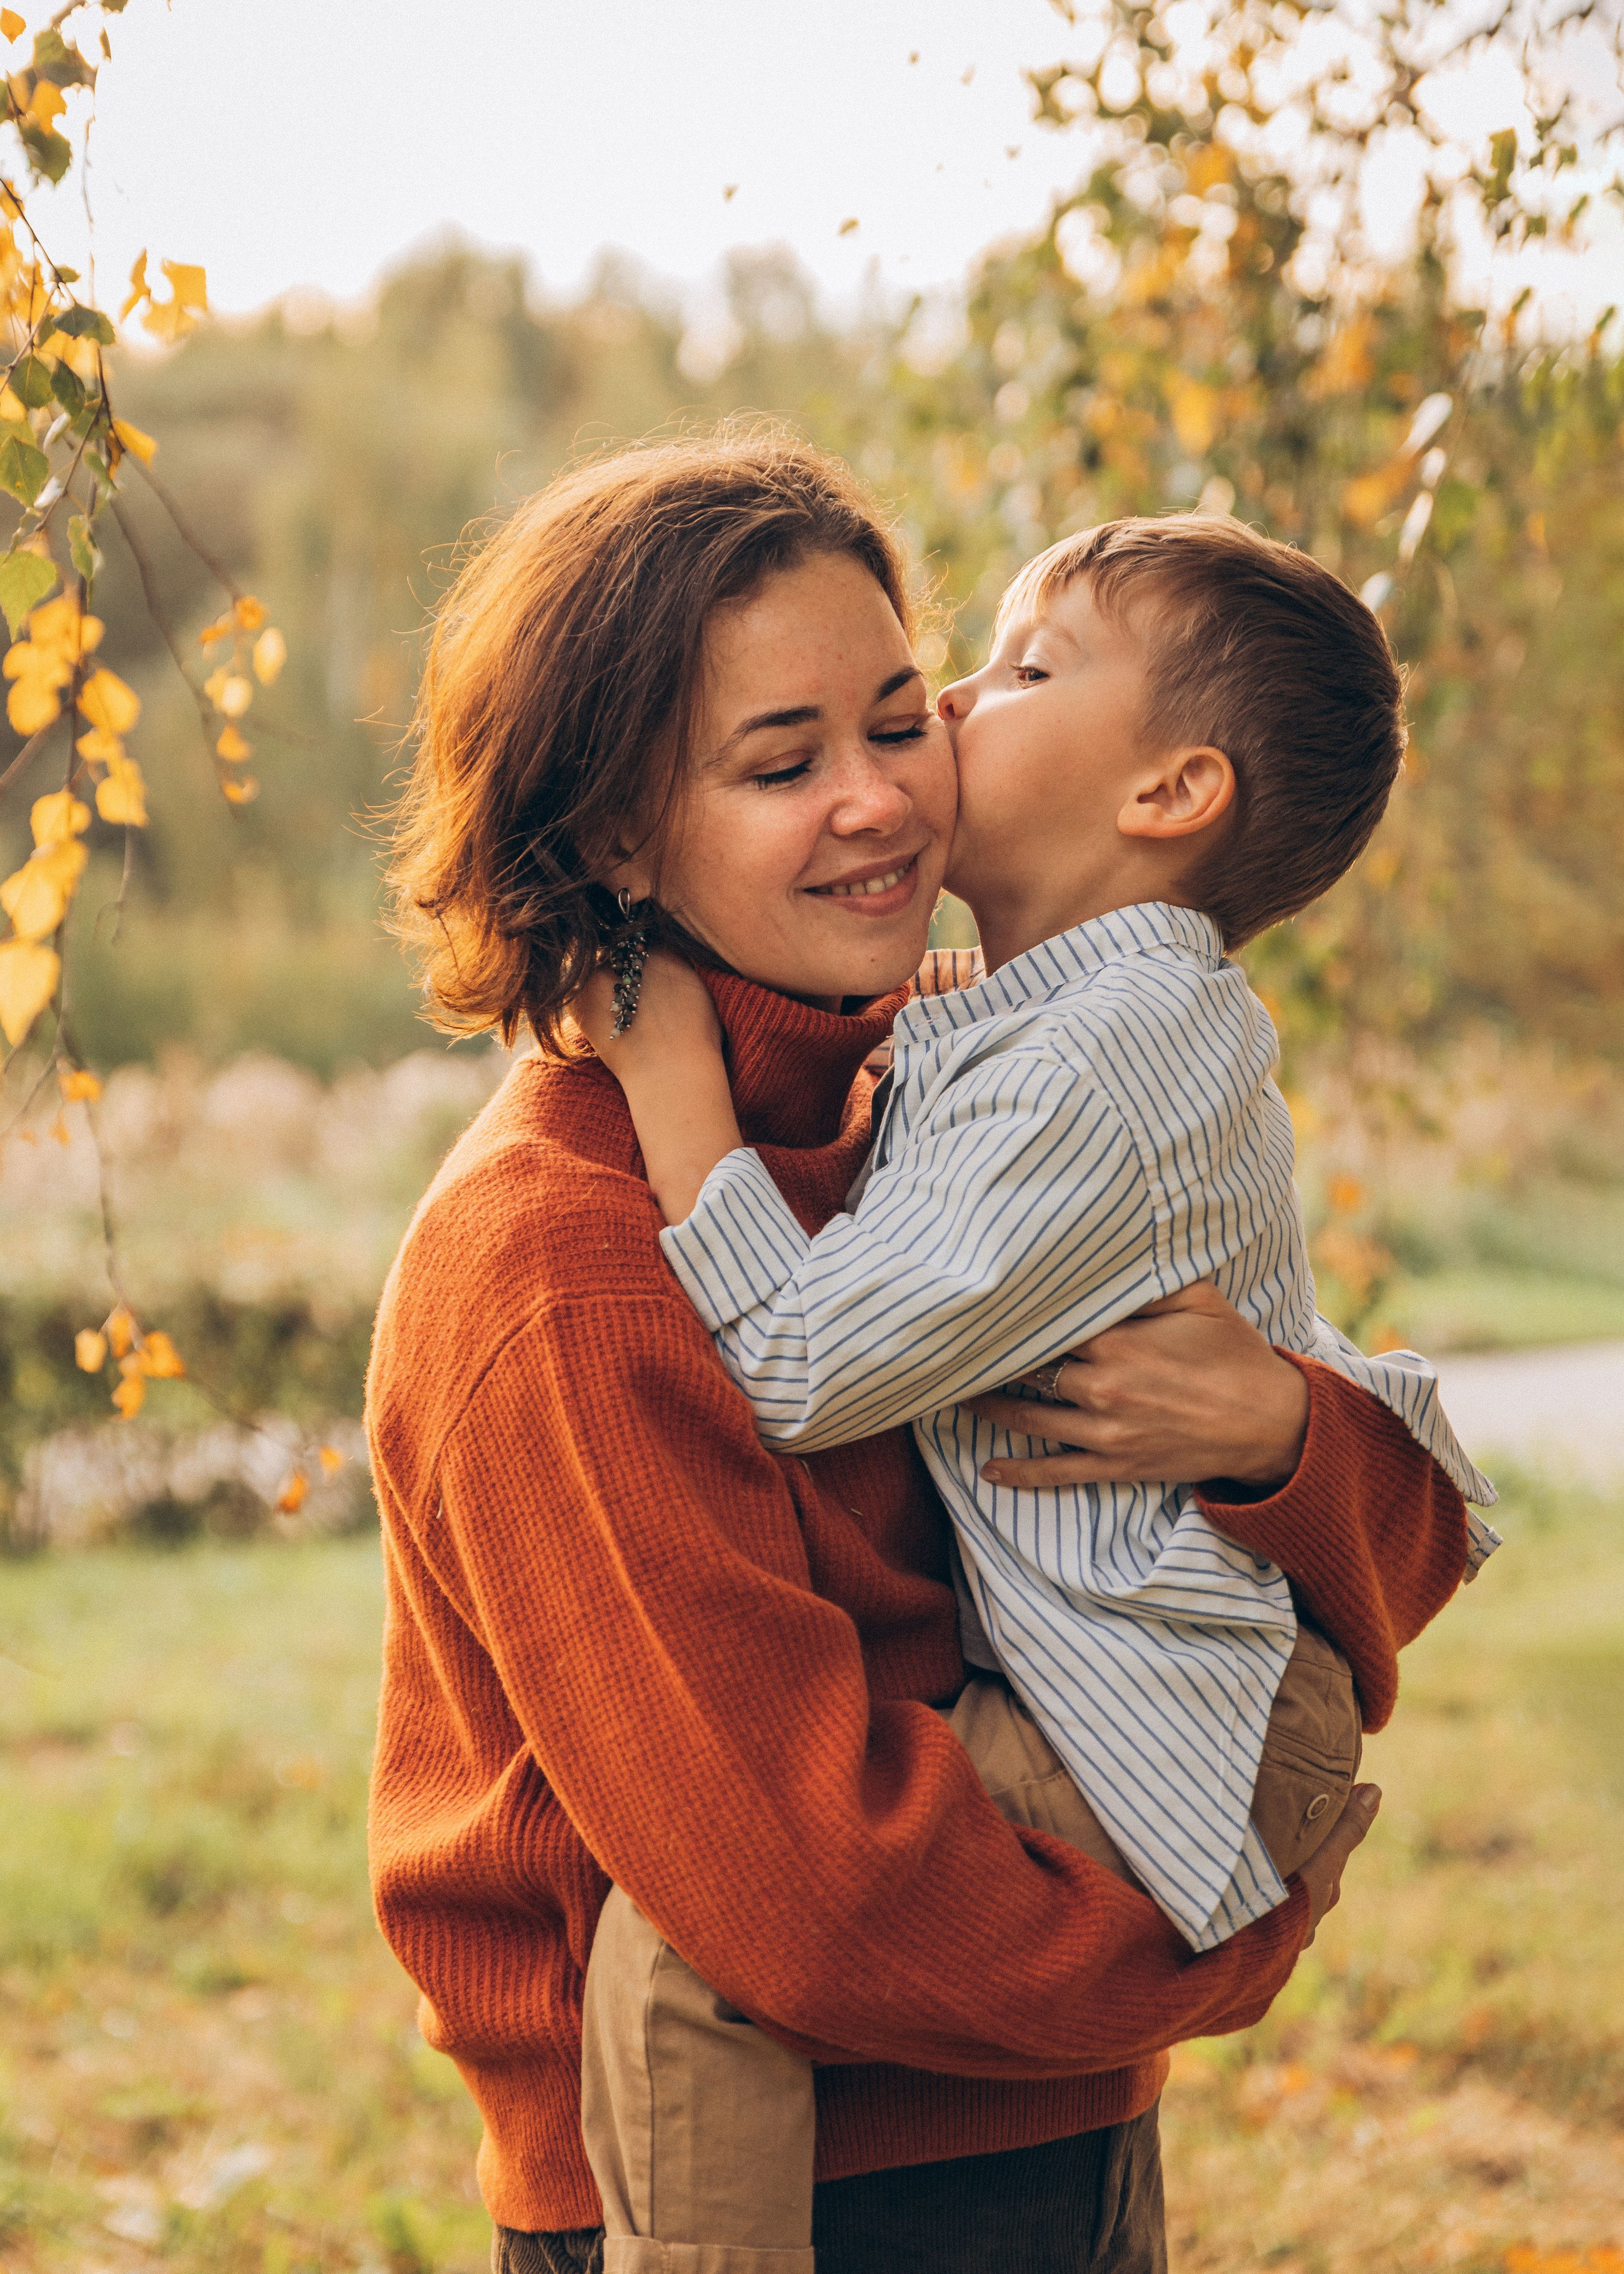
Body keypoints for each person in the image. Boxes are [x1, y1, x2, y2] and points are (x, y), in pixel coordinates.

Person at [369, 431, 1473, 2274]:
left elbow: (1402, 1566)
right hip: (803, 2180)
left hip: (1040, 2129)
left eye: (901, 718)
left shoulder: (953, 1102)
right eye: (782, 763)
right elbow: (787, 1901)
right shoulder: (565, 1261)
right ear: (616, 836)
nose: (888, 793)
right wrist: (1210, 1935)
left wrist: (1285, 1432)